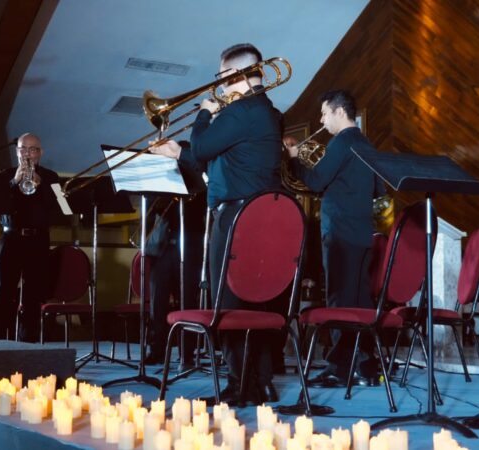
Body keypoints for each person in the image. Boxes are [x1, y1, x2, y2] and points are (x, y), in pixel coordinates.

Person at [151, 43, 283, 405]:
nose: (220, 86)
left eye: (222, 77)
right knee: (254, 302)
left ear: (236, 74)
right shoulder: (265, 111)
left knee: (230, 304)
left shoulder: (238, 111)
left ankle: (239, 387)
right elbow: (222, 161)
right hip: (256, 215)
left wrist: (205, 114)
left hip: (236, 217)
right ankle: (259, 382)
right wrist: (178, 153)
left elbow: (205, 145)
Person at [285, 89, 385, 387]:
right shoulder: (366, 143)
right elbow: (378, 190)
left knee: (339, 299)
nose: (321, 119)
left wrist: (293, 160)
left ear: (340, 112)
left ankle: (339, 368)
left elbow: (315, 181)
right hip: (363, 232)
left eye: (325, 113)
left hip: (339, 231)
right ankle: (365, 366)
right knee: (360, 299)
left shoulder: (341, 142)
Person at [0, 133, 60, 342]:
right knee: (4, 292)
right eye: (23, 149)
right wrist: (14, 183)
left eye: (32, 149)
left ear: (40, 153)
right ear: (17, 151)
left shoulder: (52, 177)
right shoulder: (5, 175)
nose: (27, 154)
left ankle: (27, 343)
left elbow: (63, 210)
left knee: (33, 295)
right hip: (11, 239)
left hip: (37, 241)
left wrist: (43, 187)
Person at [144, 147, 207, 366]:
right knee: (158, 303)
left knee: (187, 302)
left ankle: (187, 352)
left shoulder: (198, 184)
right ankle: (157, 349)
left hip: (190, 248)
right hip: (163, 249)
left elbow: (199, 217)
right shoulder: (161, 184)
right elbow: (152, 213)